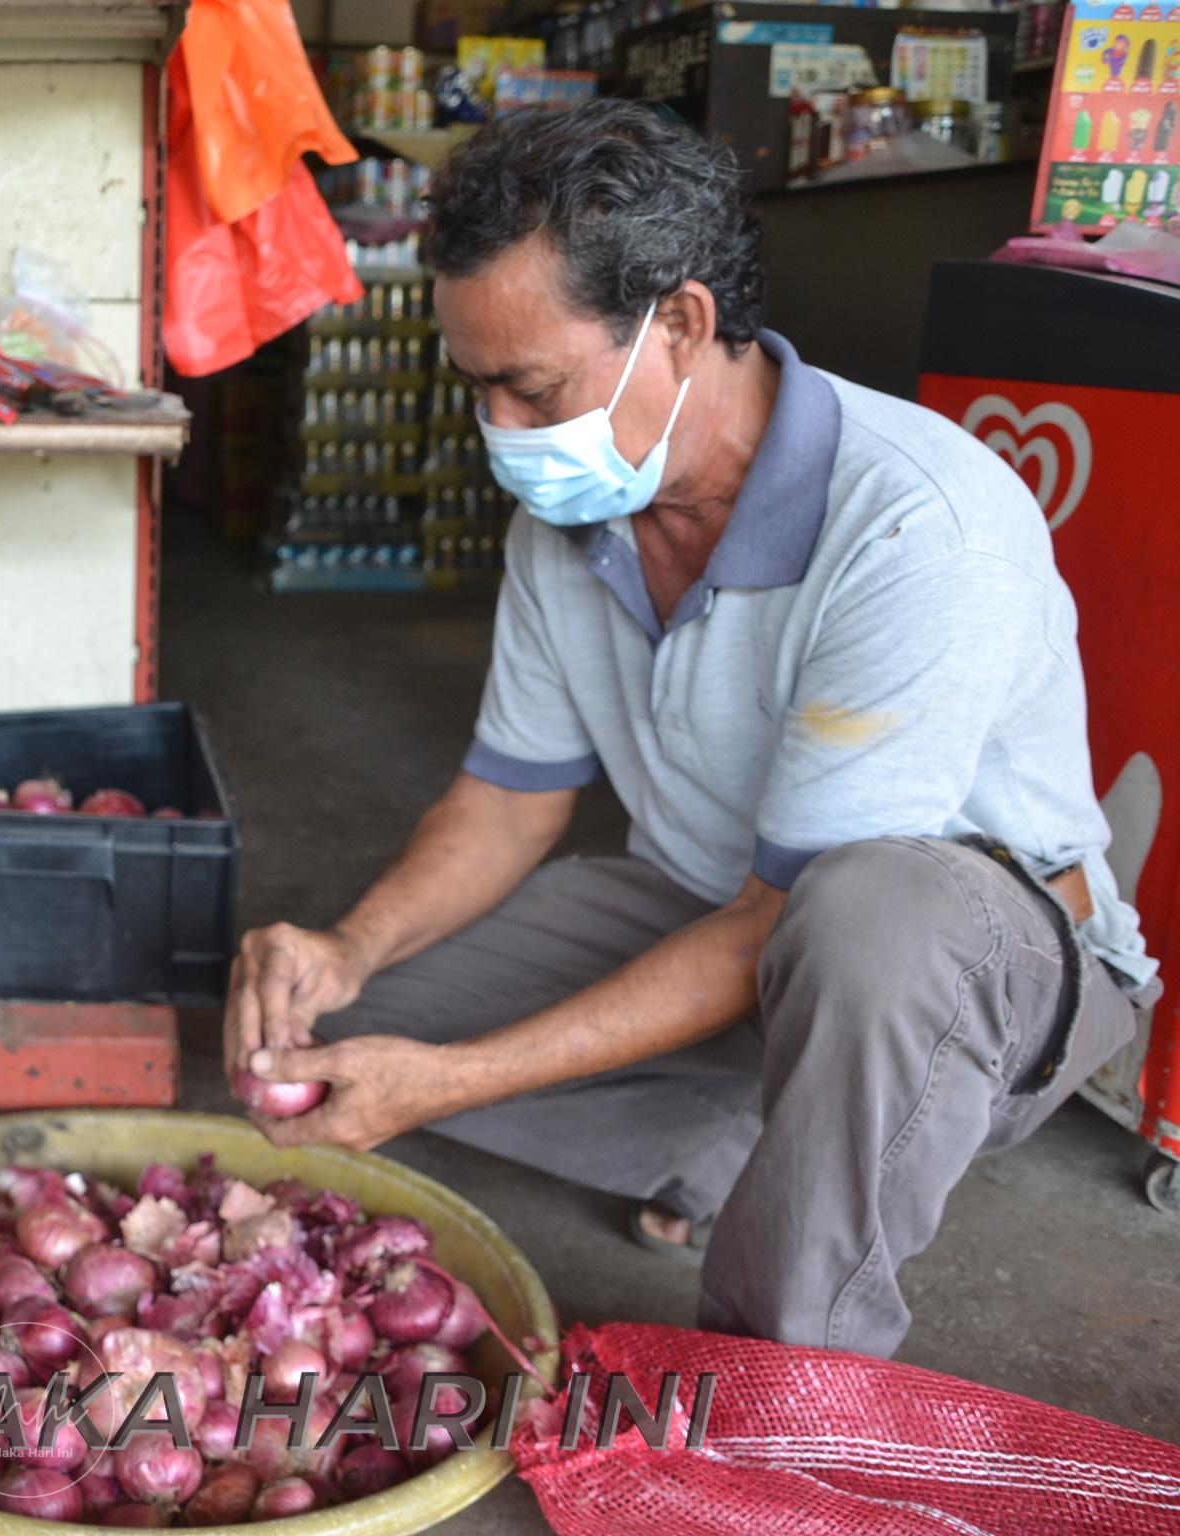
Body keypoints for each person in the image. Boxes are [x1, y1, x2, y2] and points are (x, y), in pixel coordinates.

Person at [225, 101, 1158, 1357]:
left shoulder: (916, 522)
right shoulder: (572, 522)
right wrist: (348, 946)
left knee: (867, 914)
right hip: (722, 910)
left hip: (970, 962)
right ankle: (757, 1133)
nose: (500, 432)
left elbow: (791, 914)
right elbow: (508, 797)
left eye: (531, 386)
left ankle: (783, 1383)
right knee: (324, 1054)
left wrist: (456, 1080)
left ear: (681, 320)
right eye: (477, 387)